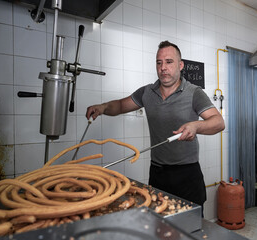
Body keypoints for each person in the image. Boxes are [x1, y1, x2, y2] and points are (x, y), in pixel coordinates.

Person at [86, 40, 225, 215]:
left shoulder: (194, 92)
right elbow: (121, 105)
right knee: (159, 225)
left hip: (187, 174)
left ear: (180, 65)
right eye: (159, 63)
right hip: (158, 173)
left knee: (192, 228)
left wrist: (196, 125)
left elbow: (218, 122)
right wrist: (103, 107)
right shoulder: (147, 92)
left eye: (169, 62)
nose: (163, 68)